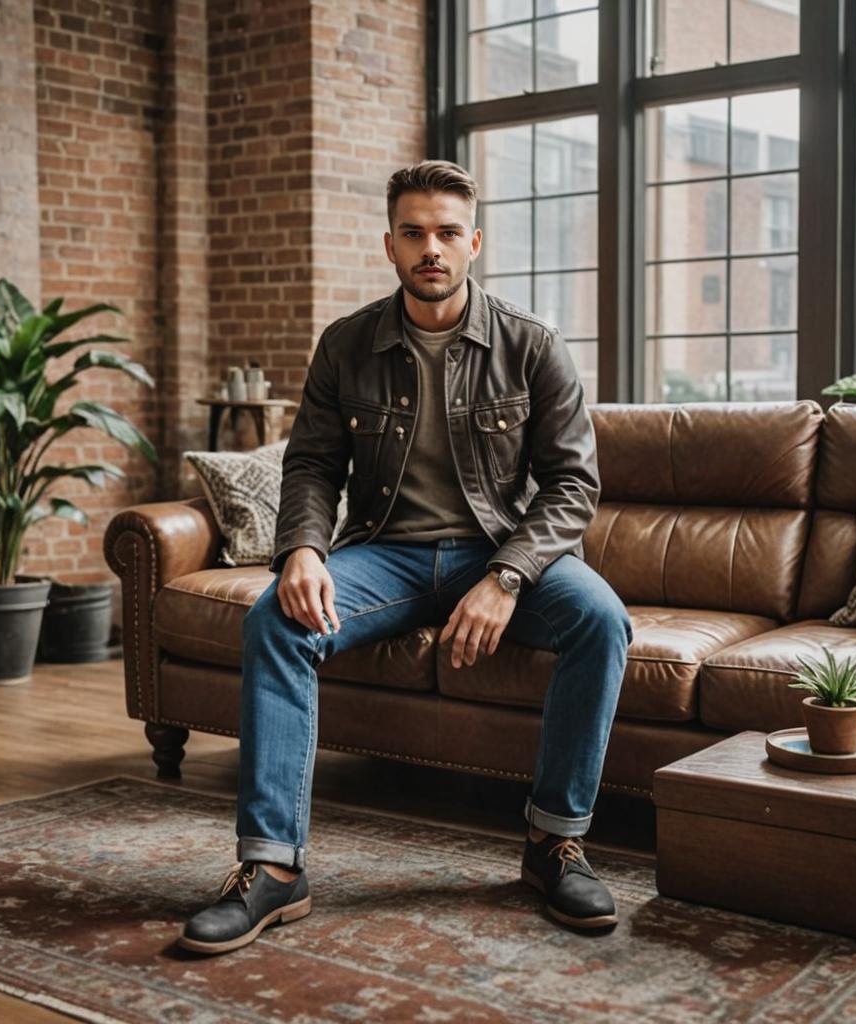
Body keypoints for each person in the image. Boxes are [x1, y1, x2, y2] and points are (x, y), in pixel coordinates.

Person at [179, 160, 633, 954]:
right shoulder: (346, 346)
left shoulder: (532, 347)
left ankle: (553, 843)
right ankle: (274, 868)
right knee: (275, 623)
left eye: (448, 233)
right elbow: (313, 466)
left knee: (601, 619)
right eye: (415, 233)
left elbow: (571, 486)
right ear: (389, 244)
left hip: (498, 552)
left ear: (475, 242)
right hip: (383, 558)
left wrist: (506, 576)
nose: (432, 248)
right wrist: (302, 550)